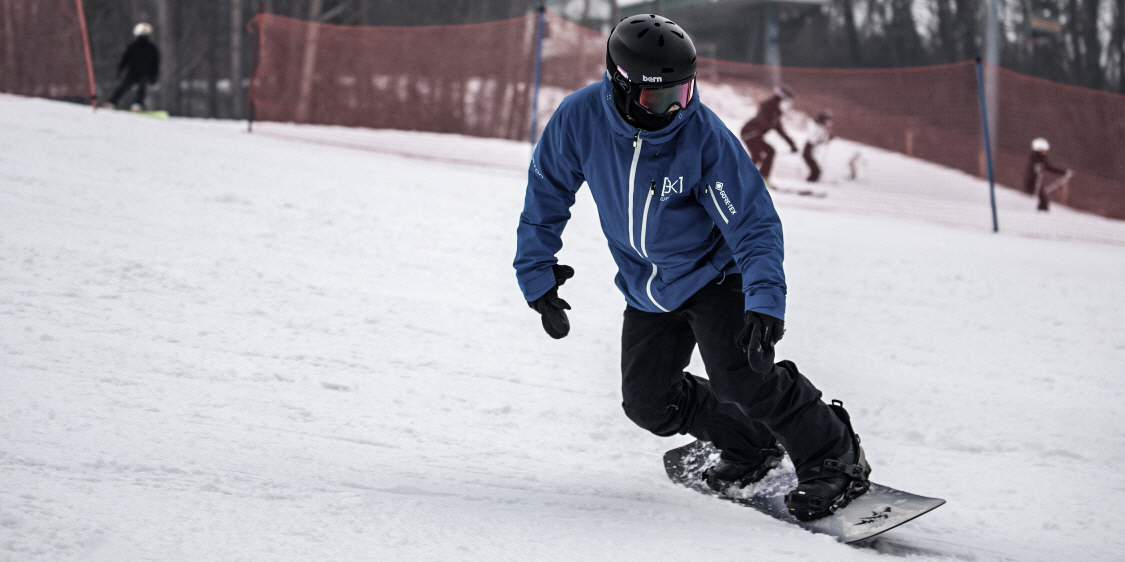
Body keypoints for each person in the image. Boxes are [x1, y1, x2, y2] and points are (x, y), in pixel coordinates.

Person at [514, 14, 871, 522]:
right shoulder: (579, 119)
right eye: (659, 98)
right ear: (620, 84)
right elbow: (546, 193)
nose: (675, 107)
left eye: (683, 92)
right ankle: (749, 444)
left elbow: (752, 223)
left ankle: (833, 453)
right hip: (647, 287)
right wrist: (536, 271)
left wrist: (764, 298)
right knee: (648, 404)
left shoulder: (703, 138)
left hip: (715, 276)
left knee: (743, 377)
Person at [740, 85, 798, 182]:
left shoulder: (775, 112)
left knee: (770, 151)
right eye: (787, 102)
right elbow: (763, 120)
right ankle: (742, 177)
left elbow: (780, 130)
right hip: (749, 133)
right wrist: (768, 124)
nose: (787, 105)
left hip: (756, 135)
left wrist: (791, 144)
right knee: (757, 155)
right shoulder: (769, 107)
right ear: (781, 99)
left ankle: (763, 177)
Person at [103, 23, 160, 111]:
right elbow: (125, 59)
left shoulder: (152, 48)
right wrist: (120, 69)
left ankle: (137, 105)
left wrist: (154, 76)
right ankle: (111, 103)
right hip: (132, 73)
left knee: (142, 89)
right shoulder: (133, 46)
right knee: (122, 88)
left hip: (145, 74)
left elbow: (155, 64)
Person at [1023, 137, 1070, 212]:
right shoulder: (1034, 158)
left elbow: (1050, 168)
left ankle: (1040, 214)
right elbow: (1033, 167)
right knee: (1036, 202)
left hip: (1036, 184)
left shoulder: (1042, 158)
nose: (1046, 151)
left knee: (1043, 202)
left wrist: (1064, 172)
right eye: (1044, 150)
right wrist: (1036, 167)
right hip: (1031, 183)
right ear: (1039, 149)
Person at [802, 110, 834, 183]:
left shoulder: (822, 126)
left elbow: (822, 137)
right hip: (811, 141)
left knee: (807, 156)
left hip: (812, 142)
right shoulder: (816, 124)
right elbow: (816, 133)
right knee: (807, 156)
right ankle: (815, 172)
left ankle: (815, 173)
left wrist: (829, 137)